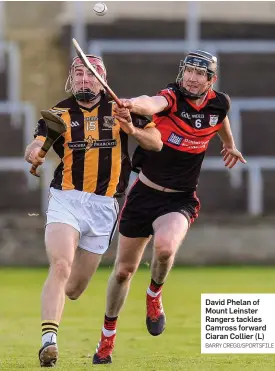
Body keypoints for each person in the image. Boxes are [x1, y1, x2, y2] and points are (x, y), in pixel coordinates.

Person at [92, 50, 247, 364]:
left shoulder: (219, 103)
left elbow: (221, 119)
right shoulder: (172, 98)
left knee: (164, 248)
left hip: (180, 199)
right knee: (123, 272)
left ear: (210, 80)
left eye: (199, 73)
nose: (191, 77)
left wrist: (228, 144)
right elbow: (151, 102)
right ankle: (107, 337)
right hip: (143, 195)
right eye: (188, 71)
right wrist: (132, 105)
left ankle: (154, 295)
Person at [24, 54, 162, 367]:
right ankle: (49, 341)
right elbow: (39, 143)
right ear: (71, 79)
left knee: (73, 289)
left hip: (105, 206)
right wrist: (34, 152)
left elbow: (156, 143)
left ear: (103, 80)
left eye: (92, 75)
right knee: (60, 264)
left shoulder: (120, 108)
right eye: (79, 75)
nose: (85, 80)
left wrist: (132, 129)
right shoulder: (58, 113)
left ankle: (59, 304)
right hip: (67, 199)